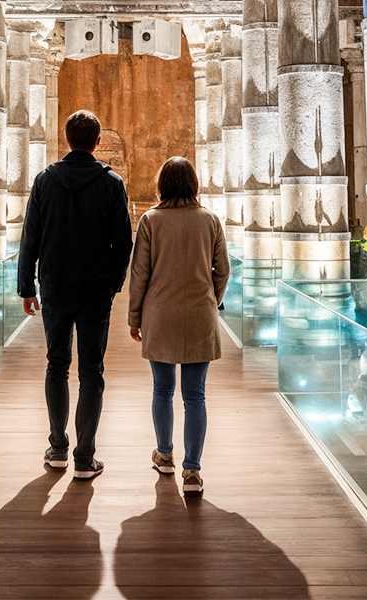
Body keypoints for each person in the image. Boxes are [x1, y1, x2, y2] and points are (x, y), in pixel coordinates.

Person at [19, 109, 133, 480]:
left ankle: (57, 448)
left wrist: (27, 287)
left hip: (54, 286)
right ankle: (85, 457)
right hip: (95, 289)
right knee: (91, 371)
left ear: (67, 139)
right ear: (97, 142)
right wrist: (114, 283)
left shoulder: (45, 181)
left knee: (56, 364)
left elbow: (30, 238)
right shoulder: (112, 183)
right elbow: (123, 243)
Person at [126, 156, 230, 495]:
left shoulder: (151, 221)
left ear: (163, 185)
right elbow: (223, 270)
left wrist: (134, 316)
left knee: (162, 389)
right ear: (193, 183)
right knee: (195, 395)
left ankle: (165, 454)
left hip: (160, 314)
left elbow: (139, 274)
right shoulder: (211, 221)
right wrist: (211, 298)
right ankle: (193, 471)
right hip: (200, 314)